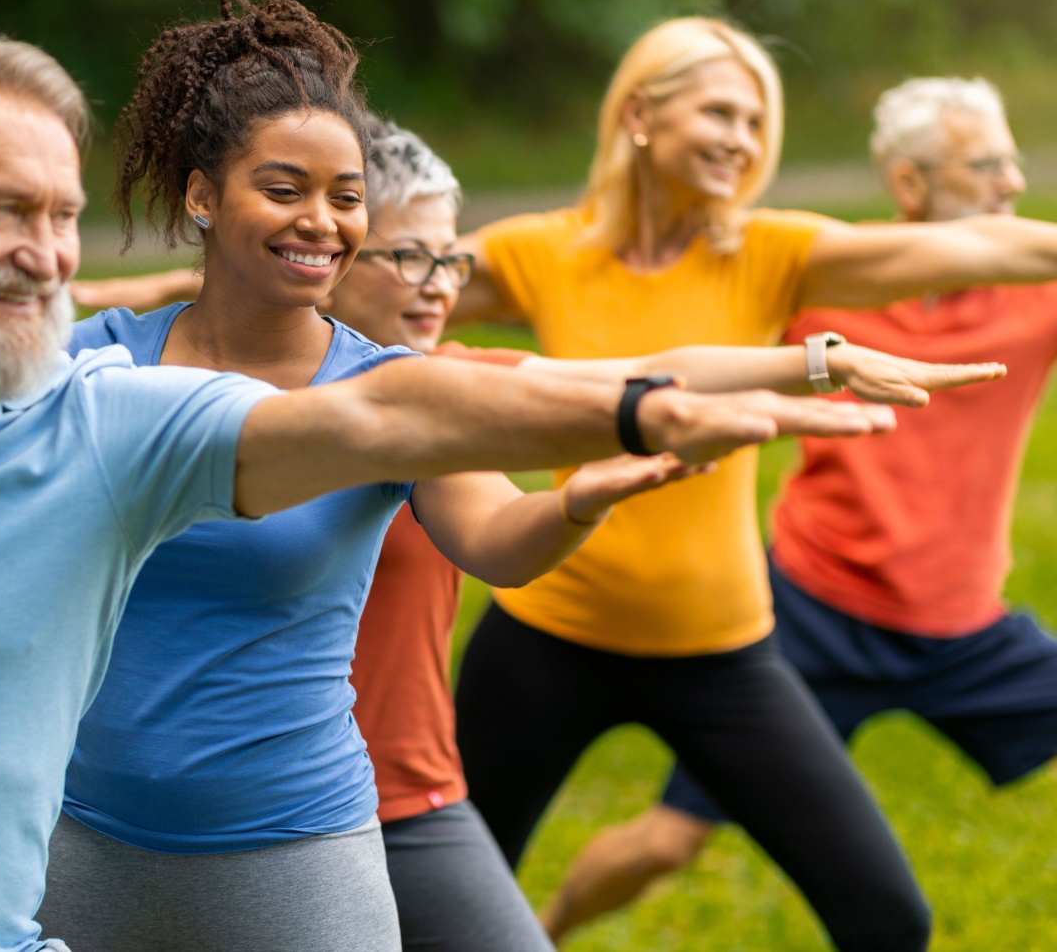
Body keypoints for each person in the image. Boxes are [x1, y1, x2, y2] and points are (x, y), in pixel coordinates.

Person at [0, 25, 900, 952]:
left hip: (282, 835)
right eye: (2, 210)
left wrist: (651, 397)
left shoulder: (117, 422)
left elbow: (412, 401)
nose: (41, 251)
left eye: (62, 217)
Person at [62, 99, 997, 952]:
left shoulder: (420, 390)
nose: (436, 285)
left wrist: (804, 369)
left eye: (449, 261)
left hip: (358, 805)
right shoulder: (110, 368)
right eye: (409, 256)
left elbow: (614, 390)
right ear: (205, 197)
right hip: (99, 817)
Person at [447, 18, 1057, 952]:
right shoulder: (542, 251)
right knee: (435, 910)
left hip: (720, 653)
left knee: (889, 918)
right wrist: (168, 296)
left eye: (758, 120)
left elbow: (994, 251)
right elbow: (375, 282)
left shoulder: (773, 252)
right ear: (641, 113)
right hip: (545, 638)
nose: (744, 137)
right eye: (722, 111)